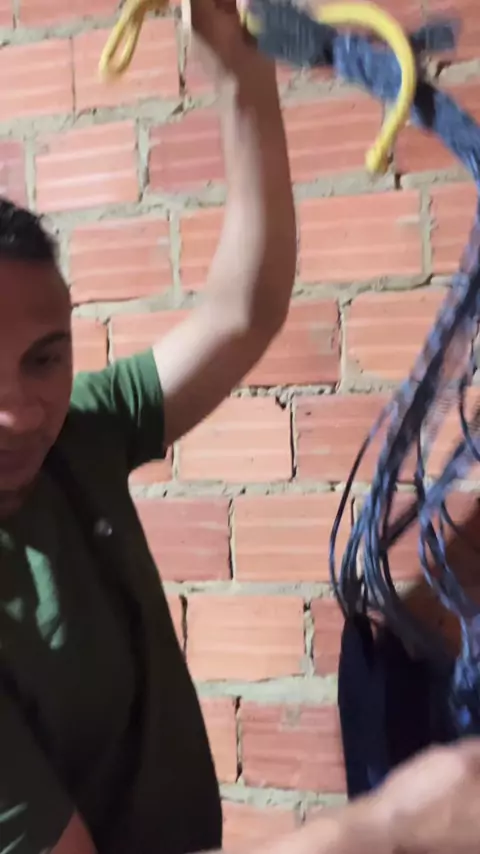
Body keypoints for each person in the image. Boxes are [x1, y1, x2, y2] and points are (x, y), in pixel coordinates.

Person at [2, 0, 480, 853]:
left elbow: (241, 311)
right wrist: (397, 826)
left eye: (44, 358)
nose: (20, 411)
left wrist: (238, 70)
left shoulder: (79, 439)